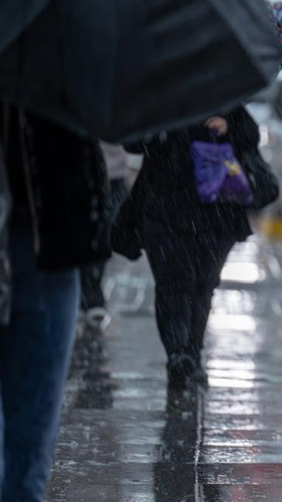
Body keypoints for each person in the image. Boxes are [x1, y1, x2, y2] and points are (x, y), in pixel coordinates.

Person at [1, 104, 111, 502]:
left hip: (45, 247)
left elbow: (117, 124)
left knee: (28, 456)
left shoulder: (64, 51)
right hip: (46, 244)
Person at [118, 107, 258, 389]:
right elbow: (132, 142)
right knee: (173, 285)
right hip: (164, 210)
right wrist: (161, 129)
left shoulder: (223, 91)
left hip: (216, 211)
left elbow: (249, 135)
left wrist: (227, 127)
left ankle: (193, 352)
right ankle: (177, 353)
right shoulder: (161, 94)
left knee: (202, 285)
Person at [79, 143, 132, 330]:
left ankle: (91, 294)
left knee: (102, 237)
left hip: (112, 176)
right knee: (86, 236)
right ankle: (88, 294)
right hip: (84, 174)